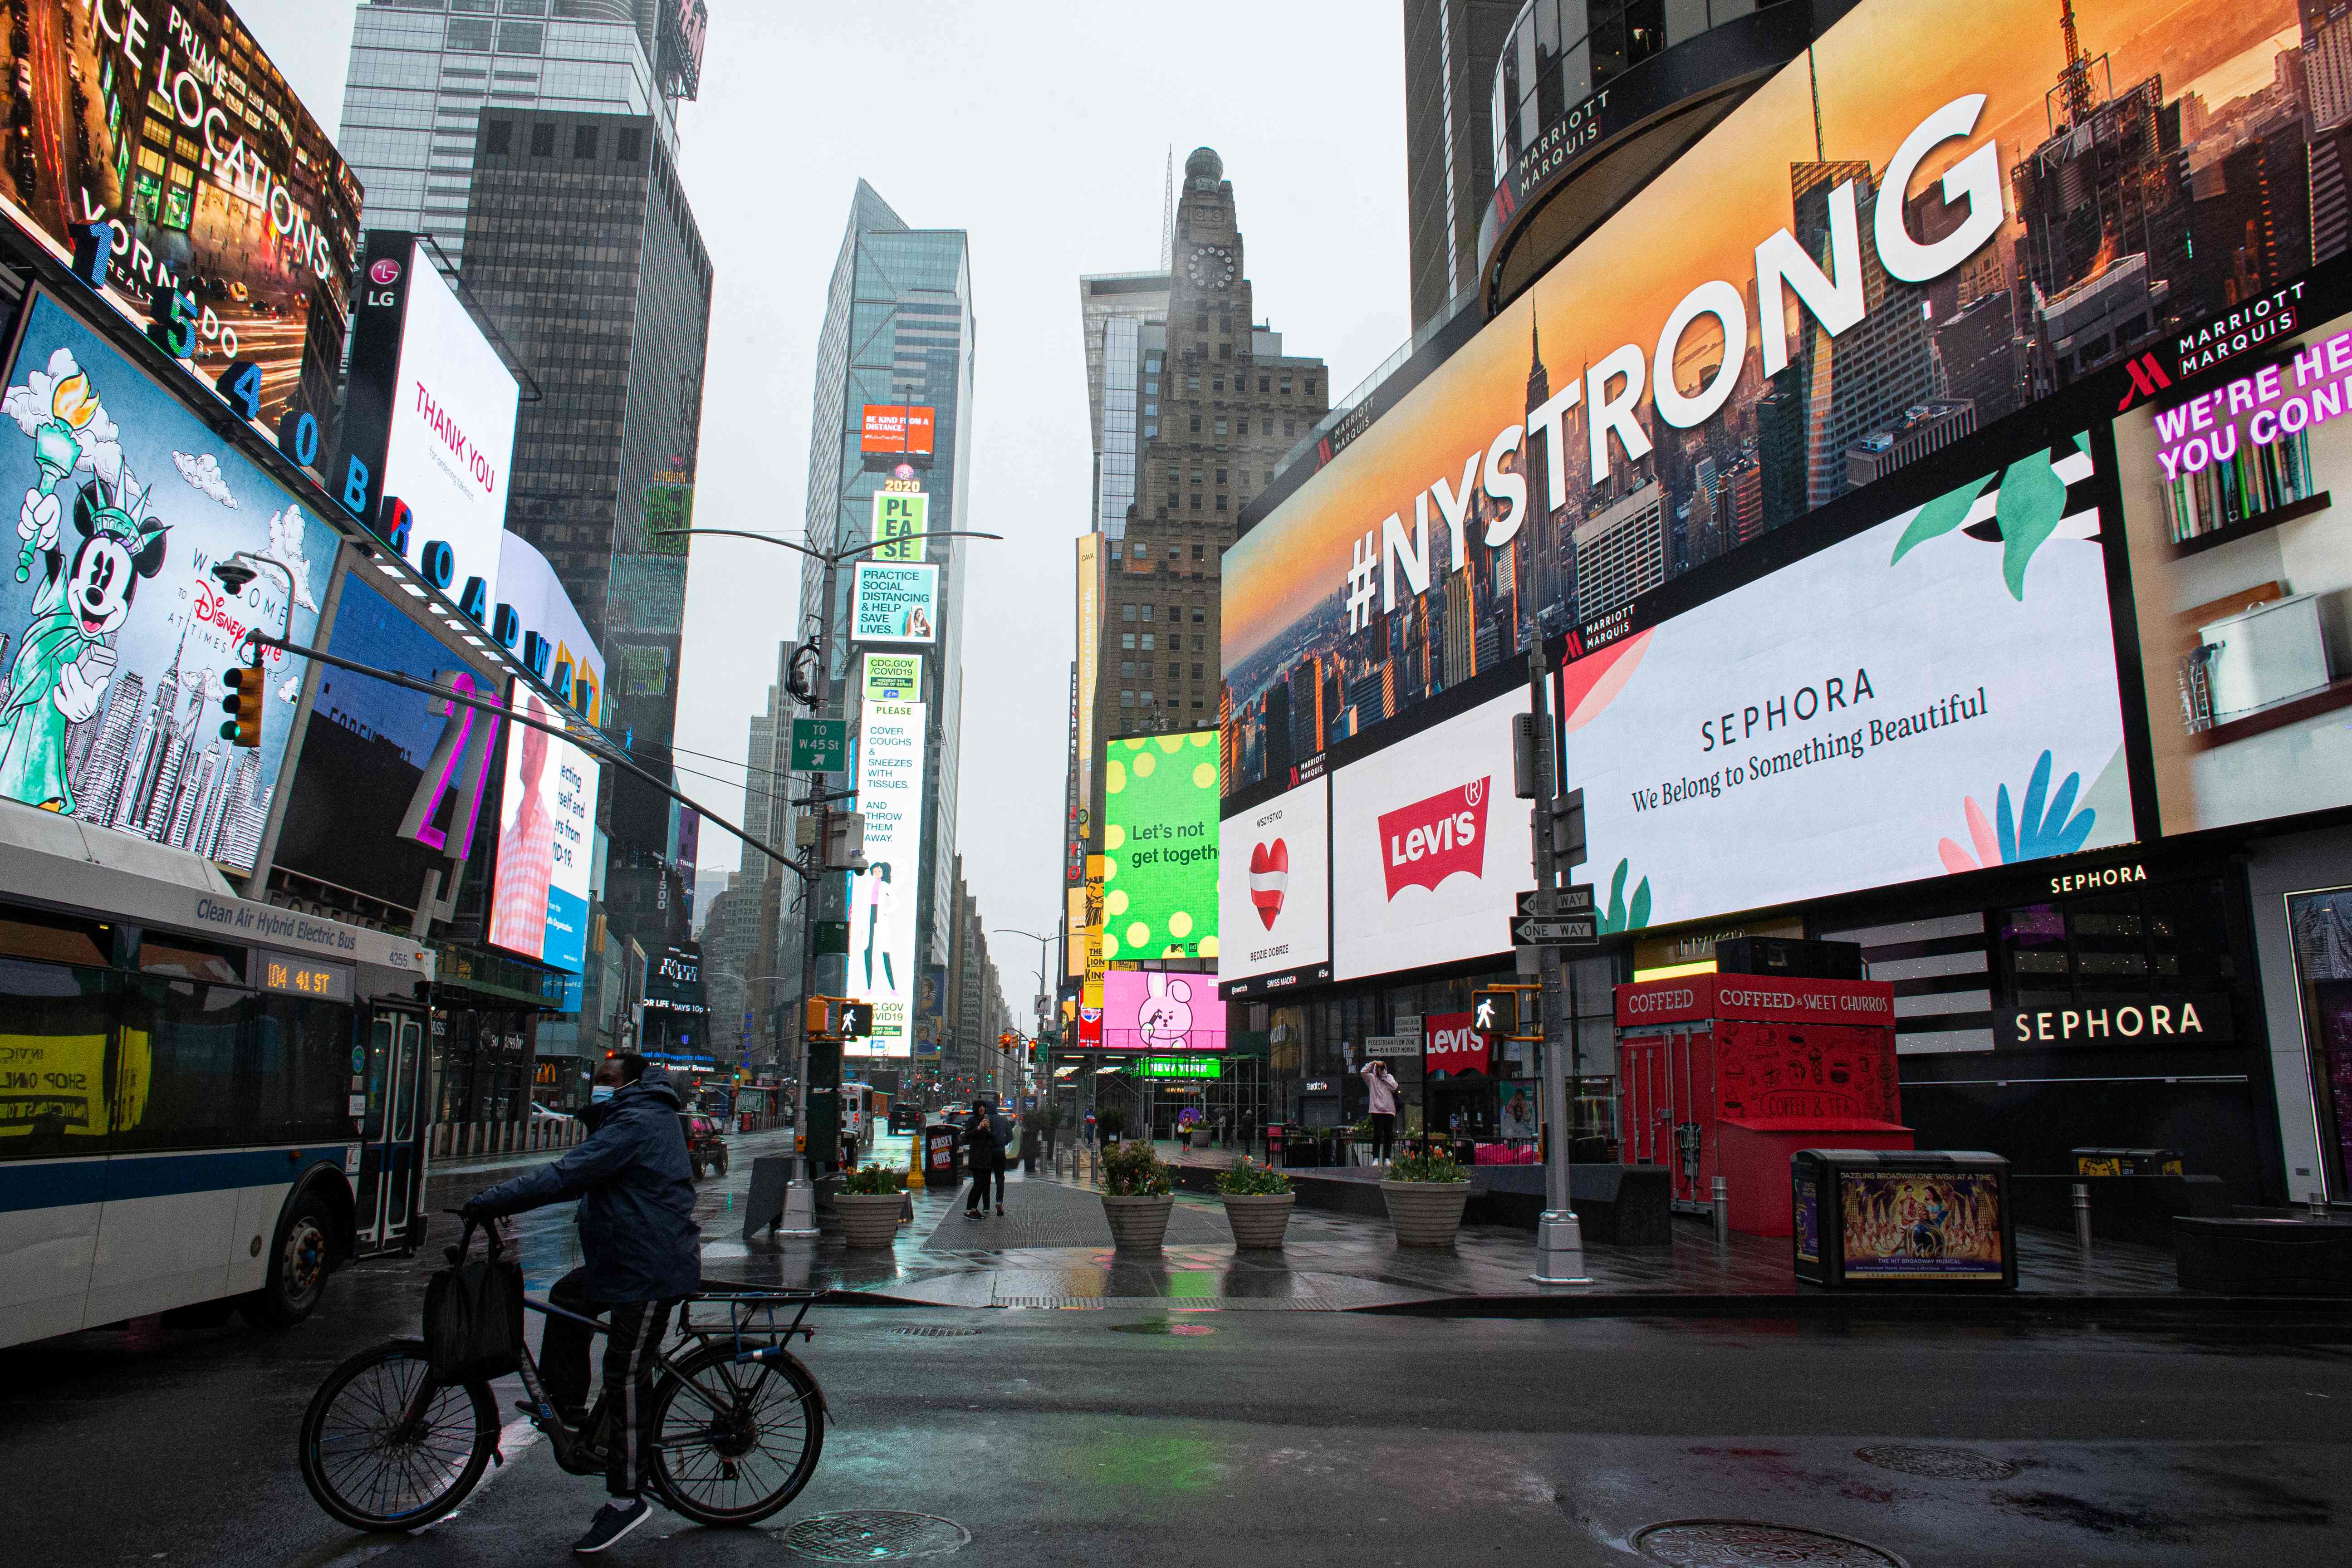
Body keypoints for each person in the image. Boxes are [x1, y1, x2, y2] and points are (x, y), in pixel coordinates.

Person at [464, 1054, 699, 1555]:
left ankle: (627, 1498)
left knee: (625, 1371)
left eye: (608, 1082)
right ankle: (568, 1406)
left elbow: (567, 1175)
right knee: (567, 1296)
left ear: (633, 1083)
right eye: (597, 1082)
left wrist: (496, 1199)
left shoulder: (637, 1120)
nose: (599, 1089)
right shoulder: (630, 1114)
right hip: (623, 1259)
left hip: (650, 1268)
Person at [963, 1103, 1003, 1219]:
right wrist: (979, 1128)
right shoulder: (972, 1121)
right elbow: (967, 1137)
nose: (982, 1109)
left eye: (983, 1107)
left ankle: (975, 1209)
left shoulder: (986, 1121)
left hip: (986, 1158)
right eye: (980, 1107)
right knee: (977, 1185)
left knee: (983, 1185)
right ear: (976, 1109)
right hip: (977, 1158)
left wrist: (988, 1130)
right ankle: (968, 1210)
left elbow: (992, 1138)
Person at [1362, 1059, 1400, 1161]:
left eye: (1382, 1069)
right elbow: (1363, 1072)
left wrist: (1384, 1076)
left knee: (1389, 1135)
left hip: (1389, 1110)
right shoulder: (1372, 1079)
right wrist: (1372, 1063)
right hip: (1376, 1109)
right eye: (1379, 1069)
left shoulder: (1389, 1077)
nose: (1380, 1070)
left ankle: (1387, 1158)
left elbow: (1394, 1086)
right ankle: (1376, 1158)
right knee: (1377, 1134)